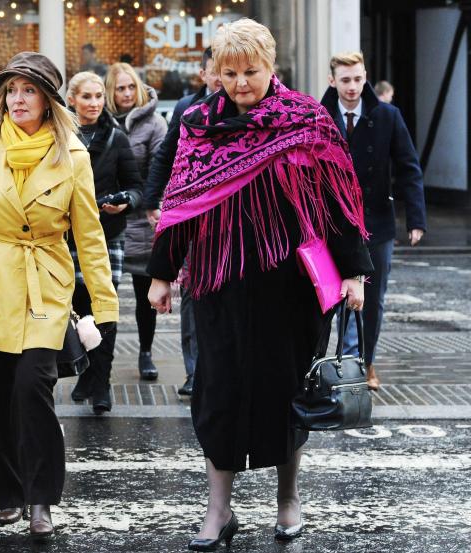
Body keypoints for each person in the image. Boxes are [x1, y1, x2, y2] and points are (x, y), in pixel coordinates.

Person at [145, 19, 372, 549]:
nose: (241, 82)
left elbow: (337, 202)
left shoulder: (307, 120)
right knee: (216, 394)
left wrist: (354, 271)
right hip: (218, 283)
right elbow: (180, 207)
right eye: (229, 72)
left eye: (251, 71)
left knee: (286, 394)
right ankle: (218, 512)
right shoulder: (197, 122)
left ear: (272, 67)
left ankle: (287, 498)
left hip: (289, 287)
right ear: (215, 73)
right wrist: (161, 274)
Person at [0, 51, 118, 541]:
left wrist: (103, 308)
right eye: (11, 90)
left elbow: (89, 234)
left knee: (32, 390)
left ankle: (41, 500)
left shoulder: (73, 154)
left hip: (45, 283)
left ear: (48, 100)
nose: (18, 99)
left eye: (29, 91)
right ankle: (7, 494)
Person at [322, 52, 426, 390]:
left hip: (376, 223)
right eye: (345, 80)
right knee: (334, 296)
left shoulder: (387, 117)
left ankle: (364, 362)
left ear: (365, 76)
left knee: (372, 300)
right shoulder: (318, 117)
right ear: (332, 81)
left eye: (358, 79)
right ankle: (339, 362)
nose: (353, 87)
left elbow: (409, 168)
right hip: (332, 225)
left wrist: (415, 219)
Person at [144, 47, 223, 396]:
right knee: (192, 295)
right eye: (218, 71)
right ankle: (195, 372)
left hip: (233, 223)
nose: (225, 79)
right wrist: (152, 199)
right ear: (203, 74)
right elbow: (168, 155)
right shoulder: (187, 108)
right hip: (195, 217)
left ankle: (222, 369)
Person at [65, 71, 142, 413]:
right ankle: (86, 372)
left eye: (98, 96)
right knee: (78, 308)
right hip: (67, 236)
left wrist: (127, 200)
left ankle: (102, 384)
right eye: (86, 97)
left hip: (107, 233)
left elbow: (137, 186)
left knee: (105, 311)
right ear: (72, 99)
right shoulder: (60, 135)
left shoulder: (116, 137)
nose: (94, 103)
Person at [104, 62, 167, 380]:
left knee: (147, 292)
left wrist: (148, 202)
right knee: (104, 295)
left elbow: (161, 166)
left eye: (131, 87)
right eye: (120, 88)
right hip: (107, 220)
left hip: (143, 217)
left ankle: (145, 352)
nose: (127, 93)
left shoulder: (154, 123)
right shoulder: (101, 122)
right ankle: (101, 361)